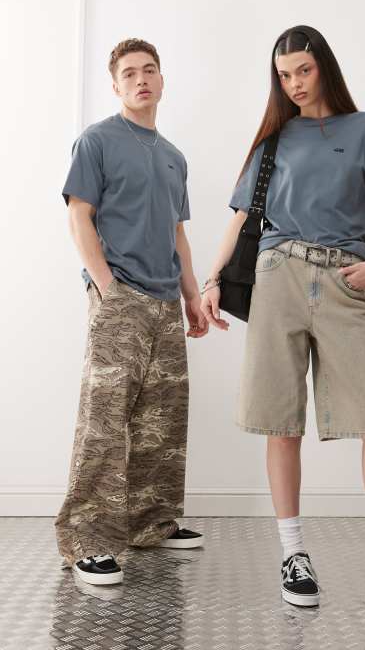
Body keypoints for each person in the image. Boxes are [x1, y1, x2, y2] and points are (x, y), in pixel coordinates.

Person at [201, 25, 365, 610]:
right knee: (281, 423)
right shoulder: (274, 139)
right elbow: (241, 218)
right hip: (278, 276)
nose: (294, 83)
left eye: (304, 70)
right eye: (284, 75)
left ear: (324, 67)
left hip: (345, 280)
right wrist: (212, 280)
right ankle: (293, 556)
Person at [55, 38, 208, 586]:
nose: (141, 79)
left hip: (166, 302)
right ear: (116, 84)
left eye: (149, 70)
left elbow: (177, 234)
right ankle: (88, 541)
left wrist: (191, 297)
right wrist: (107, 287)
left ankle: (150, 523)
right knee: (105, 422)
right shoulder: (96, 141)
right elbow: (79, 215)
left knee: (161, 420)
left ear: (161, 80)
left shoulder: (174, 157)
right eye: (129, 73)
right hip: (119, 296)